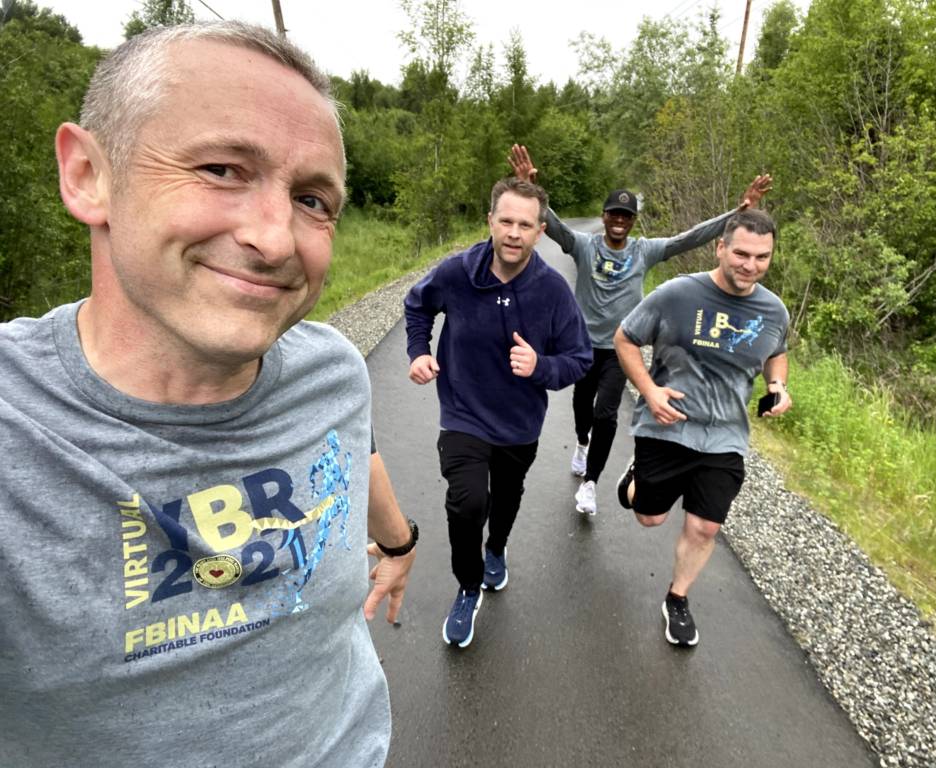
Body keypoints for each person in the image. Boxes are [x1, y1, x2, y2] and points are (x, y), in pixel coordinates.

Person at [0, 22, 416, 768]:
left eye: (314, 200)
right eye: (223, 168)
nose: (277, 237)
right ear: (88, 174)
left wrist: (399, 541)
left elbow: (353, 452)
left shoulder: (332, 372)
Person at [508, 144, 771, 517]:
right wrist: (529, 190)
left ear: (632, 221)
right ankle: (582, 443)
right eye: (614, 213)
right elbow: (554, 227)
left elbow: (691, 237)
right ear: (604, 217)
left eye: (626, 215)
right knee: (583, 408)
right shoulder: (583, 246)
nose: (619, 220)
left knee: (606, 413)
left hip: (620, 347)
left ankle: (591, 483)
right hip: (581, 346)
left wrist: (739, 212)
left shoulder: (645, 251)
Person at [404, 178, 591, 648]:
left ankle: (496, 548)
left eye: (524, 225)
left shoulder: (551, 291)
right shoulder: (456, 274)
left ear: (540, 231)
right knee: (468, 502)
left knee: (506, 497)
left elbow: (580, 357)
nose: (513, 232)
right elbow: (417, 306)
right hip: (462, 414)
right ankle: (468, 586)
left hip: (519, 423)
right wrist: (417, 351)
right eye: (505, 221)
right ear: (490, 222)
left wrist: (540, 366)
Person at [612, 208, 791, 647]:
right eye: (742, 254)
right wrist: (649, 391)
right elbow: (625, 338)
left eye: (762, 257)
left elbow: (777, 351)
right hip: (667, 424)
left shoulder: (772, 309)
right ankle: (634, 478)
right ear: (721, 248)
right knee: (649, 517)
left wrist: (778, 386)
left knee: (705, 526)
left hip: (727, 434)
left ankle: (677, 599)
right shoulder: (677, 294)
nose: (750, 266)